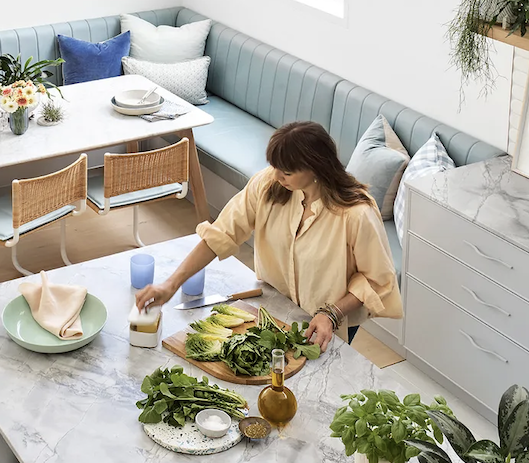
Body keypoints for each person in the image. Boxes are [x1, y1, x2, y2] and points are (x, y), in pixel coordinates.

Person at [135, 120, 402, 348]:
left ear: (316, 167)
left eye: (286, 171)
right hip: (275, 311)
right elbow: (221, 233)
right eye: (274, 166)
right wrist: (170, 284)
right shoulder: (268, 185)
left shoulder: (356, 213)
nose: (276, 176)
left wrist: (331, 314)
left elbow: (376, 280)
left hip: (328, 323)